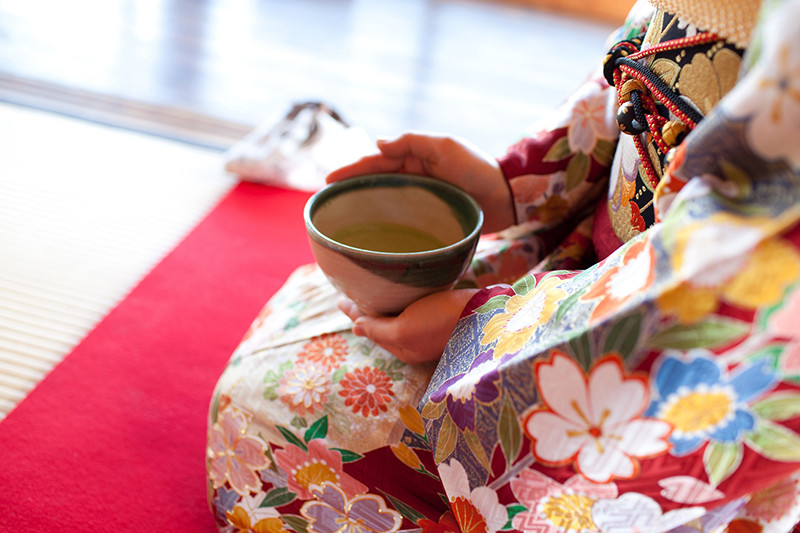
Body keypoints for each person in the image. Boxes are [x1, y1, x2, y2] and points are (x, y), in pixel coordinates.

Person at [206, 0, 800, 531]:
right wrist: (512, 181)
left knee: (263, 420)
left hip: (666, 364)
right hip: (587, 274)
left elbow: (745, 276)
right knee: (305, 329)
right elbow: (646, 65)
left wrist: (483, 327)